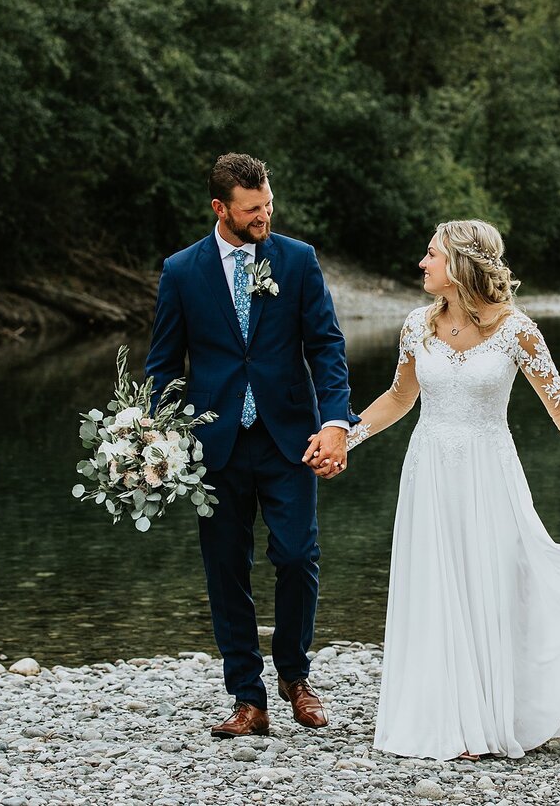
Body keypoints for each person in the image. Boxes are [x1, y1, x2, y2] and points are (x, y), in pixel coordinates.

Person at [333, 219, 560, 760]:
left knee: (490, 585)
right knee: (435, 586)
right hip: (429, 473)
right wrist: (345, 441)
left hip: (489, 472)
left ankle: (488, 717)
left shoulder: (518, 330)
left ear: (461, 264)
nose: (421, 264)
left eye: (431, 255)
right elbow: (399, 399)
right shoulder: (415, 326)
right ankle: (441, 718)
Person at [146, 153, 357, 738]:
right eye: (252, 210)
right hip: (214, 446)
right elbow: (164, 365)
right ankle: (248, 697)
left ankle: (294, 674)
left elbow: (327, 348)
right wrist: (155, 438)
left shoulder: (297, 260)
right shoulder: (182, 271)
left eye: (268, 205)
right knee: (224, 569)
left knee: (296, 557)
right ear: (220, 208)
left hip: (290, 437)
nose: (264, 215)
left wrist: (336, 421)